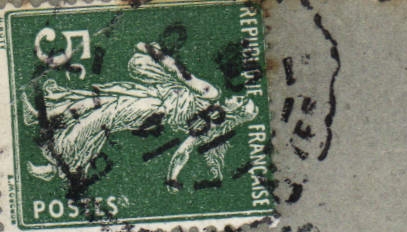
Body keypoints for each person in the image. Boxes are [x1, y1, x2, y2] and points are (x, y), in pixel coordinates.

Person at [22, 41, 257, 190]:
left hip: (153, 107)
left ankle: (59, 164)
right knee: (99, 101)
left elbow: (183, 74)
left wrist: (156, 53)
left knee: (103, 114)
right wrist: (172, 178)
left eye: (241, 101)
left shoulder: (211, 94)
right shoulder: (207, 124)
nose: (236, 97)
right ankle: (42, 121)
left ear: (236, 110)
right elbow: (183, 152)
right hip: (151, 100)